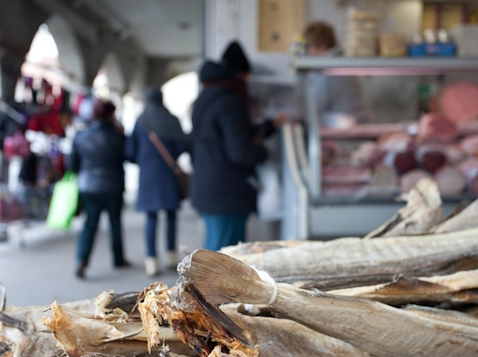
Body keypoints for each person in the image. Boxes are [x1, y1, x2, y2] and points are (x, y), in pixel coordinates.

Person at [190, 41, 283, 251]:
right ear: (240, 74)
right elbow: (241, 152)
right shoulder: (231, 101)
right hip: (226, 194)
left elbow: (232, 135)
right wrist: (265, 153)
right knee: (224, 261)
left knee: (212, 256)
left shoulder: (208, 96)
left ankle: (203, 286)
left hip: (209, 190)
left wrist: (269, 126)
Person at [126, 87, 189, 276]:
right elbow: (182, 145)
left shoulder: (140, 122)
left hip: (148, 175)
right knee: (171, 215)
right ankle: (170, 255)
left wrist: (144, 160)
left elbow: (130, 152)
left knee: (151, 218)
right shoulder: (172, 120)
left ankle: (151, 260)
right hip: (168, 172)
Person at [69, 99, 129, 279]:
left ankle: (82, 260)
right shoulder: (118, 137)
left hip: (89, 186)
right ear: (111, 115)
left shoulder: (81, 136)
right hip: (113, 185)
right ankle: (118, 259)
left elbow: (72, 165)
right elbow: (128, 156)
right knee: (115, 223)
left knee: (89, 224)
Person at [303, 21, 368, 123]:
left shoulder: (328, 69)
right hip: (357, 125)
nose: (308, 52)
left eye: (309, 47)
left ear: (322, 47)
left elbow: (314, 107)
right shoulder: (341, 62)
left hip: (347, 132)